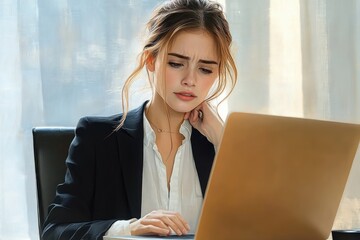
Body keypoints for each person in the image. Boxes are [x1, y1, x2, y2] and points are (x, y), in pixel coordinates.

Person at [42, 0, 237, 239]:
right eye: (176, 63)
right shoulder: (97, 138)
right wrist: (127, 229)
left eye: (205, 69)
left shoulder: (219, 145)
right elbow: (54, 232)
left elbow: (260, 227)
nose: (190, 80)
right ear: (151, 60)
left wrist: (223, 142)